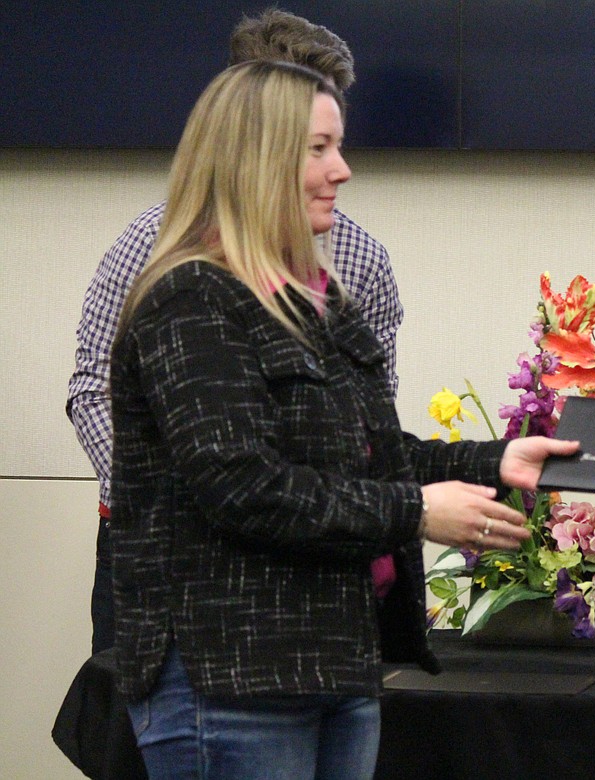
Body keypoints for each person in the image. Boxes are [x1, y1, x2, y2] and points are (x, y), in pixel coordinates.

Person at [109, 59, 576, 779]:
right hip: (231, 679)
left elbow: (366, 455)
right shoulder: (191, 299)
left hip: (332, 665)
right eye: (319, 149)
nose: (344, 169)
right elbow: (242, 483)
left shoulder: (313, 301)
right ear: (256, 161)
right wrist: (416, 510)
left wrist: (493, 463)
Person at [66, 8, 399, 655]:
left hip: (310, 562)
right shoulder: (154, 242)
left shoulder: (361, 262)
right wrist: (175, 502)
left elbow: (368, 423)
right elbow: (92, 390)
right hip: (161, 558)